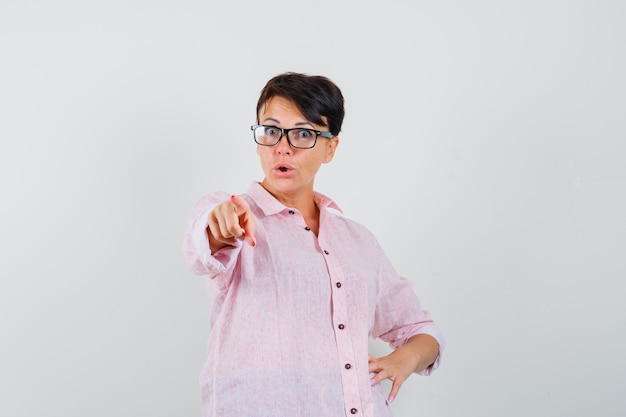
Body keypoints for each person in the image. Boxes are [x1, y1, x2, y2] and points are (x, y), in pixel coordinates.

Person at [183, 72, 445, 417]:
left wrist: (403, 359)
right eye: (272, 130)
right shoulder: (232, 211)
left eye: (304, 133)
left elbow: (422, 332)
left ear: (331, 147)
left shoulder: (359, 242)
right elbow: (206, 243)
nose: (283, 146)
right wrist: (223, 226)